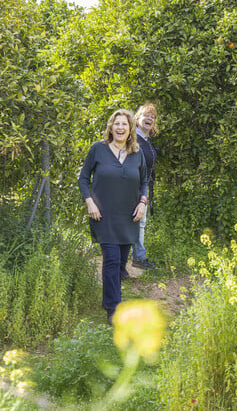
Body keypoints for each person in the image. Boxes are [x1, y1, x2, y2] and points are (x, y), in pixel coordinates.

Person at [78, 109, 148, 324]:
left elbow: (145, 181)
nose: (120, 128)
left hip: (129, 217)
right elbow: (83, 178)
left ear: (130, 130)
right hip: (103, 216)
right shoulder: (98, 150)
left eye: (124, 125)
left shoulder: (137, 153)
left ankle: (109, 298)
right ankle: (113, 309)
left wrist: (143, 203)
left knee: (120, 265)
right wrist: (90, 202)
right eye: (116, 124)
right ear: (111, 127)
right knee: (112, 260)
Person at [129, 101, 159, 272]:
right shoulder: (133, 138)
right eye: (146, 115)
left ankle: (138, 257)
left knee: (139, 223)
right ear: (137, 118)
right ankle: (138, 258)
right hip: (132, 188)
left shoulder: (146, 140)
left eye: (153, 117)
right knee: (134, 222)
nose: (150, 118)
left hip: (144, 187)